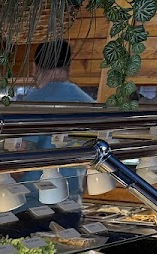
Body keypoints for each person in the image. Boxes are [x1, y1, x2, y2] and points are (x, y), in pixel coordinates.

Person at [18, 40, 94, 204]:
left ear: (34, 67)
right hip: (72, 201)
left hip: (31, 202)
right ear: (69, 68)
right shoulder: (88, 103)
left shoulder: (32, 103)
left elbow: (19, 158)